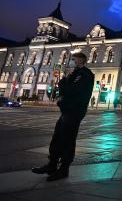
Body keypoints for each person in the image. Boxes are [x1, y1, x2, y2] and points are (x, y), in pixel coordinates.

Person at [32, 52, 94, 181]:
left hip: (74, 111)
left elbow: (71, 90)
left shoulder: (85, 74)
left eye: (73, 59)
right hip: (66, 111)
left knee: (68, 139)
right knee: (57, 137)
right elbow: (61, 86)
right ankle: (52, 165)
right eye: (71, 59)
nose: (71, 61)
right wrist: (66, 78)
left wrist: (66, 82)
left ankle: (64, 169)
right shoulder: (73, 74)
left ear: (81, 61)